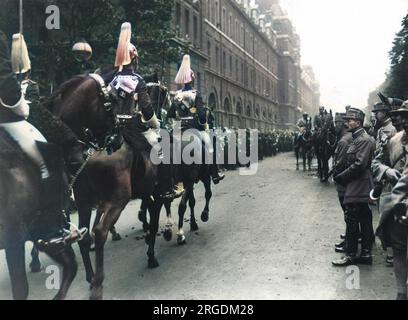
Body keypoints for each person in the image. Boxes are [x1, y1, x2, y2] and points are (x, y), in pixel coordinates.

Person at [0, 32, 86, 244]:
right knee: (48, 159)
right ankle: (53, 227)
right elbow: (5, 82)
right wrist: (20, 106)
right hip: (9, 119)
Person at [109, 22, 182, 199]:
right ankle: (166, 188)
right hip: (133, 128)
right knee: (162, 149)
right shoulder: (137, 80)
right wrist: (156, 124)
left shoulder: (111, 80)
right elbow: (147, 109)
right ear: (134, 60)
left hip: (113, 128)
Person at [168, 54, 225, 184]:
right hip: (194, 128)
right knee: (210, 144)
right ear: (192, 80)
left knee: (165, 147)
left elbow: (170, 114)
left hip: (178, 129)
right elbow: (201, 114)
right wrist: (204, 123)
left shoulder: (177, 95)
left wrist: (177, 118)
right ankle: (215, 173)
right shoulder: (196, 94)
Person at [332, 108, 376, 266]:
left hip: (359, 183)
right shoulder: (358, 138)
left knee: (352, 218)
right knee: (363, 217)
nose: (347, 122)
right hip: (359, 182)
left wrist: (341, 177)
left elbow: (359, 164)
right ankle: (365, 254)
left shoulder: (363, 139)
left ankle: (350, 255)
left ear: (357, 122)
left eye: (350, 120)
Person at [374, 100, 408, 299]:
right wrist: (386, 171)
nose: (403, 120)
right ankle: (401, 293)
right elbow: (376, 162)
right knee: (398, 249)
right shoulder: (394, 140)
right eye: (403, 116)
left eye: (406, 115)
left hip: (399, 202)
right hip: (397, 207)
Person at [371, 102, 397, 266]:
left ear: (385, 112)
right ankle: (391, 251)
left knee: (390, 217)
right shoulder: (380, 129)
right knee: (385, 216)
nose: (375, 115)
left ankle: (393, 252)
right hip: (384, 176)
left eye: (378, 112)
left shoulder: (393, 130)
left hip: (394, 178)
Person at [333, 111, 353, 253]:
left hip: (344, 182)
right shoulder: (349, 137)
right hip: (350, 181)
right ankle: (349, 239)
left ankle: (349, 244)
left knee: (348, 214)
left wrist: (336, 176)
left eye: (336, 123)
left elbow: (339, 164)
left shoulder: (344, 140)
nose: (335, 126)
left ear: (342, 124)